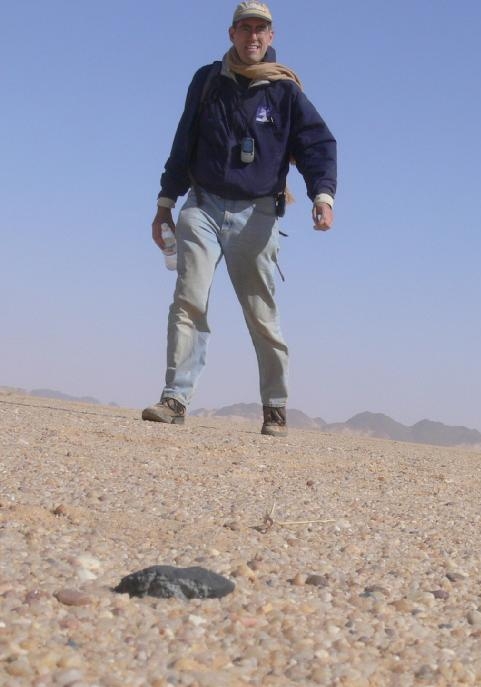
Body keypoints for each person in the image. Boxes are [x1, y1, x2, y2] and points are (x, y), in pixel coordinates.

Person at [141, 1, 337, 437]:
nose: (252, 36)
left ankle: (275, 406)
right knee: (189, 297)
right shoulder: (208, 81)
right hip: (203, 205)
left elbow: (318, 144)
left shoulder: (285, 92)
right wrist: (164, 204)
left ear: (271, 37)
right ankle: (175, 397)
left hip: (258, 214)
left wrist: (322, 195)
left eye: (260, 30)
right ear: (232, 34)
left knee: (261, 313)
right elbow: (183, 140)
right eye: (244, 28)